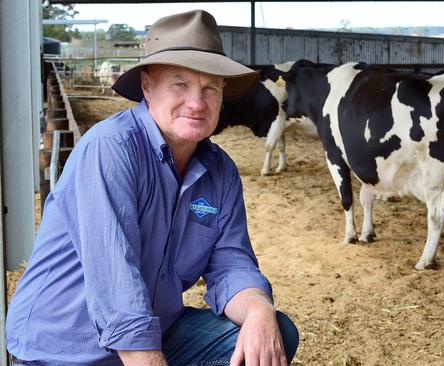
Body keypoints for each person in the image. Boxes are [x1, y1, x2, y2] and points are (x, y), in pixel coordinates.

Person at [6, 9, 299, 366]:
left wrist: (258, 309)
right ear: (147, 86)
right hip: (65, 349)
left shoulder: (220, 171)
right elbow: (118, 286)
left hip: (158, 331)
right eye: (180, 83)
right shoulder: (111, 148)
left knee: (274, 332)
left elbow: (230, 263)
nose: (196, 103)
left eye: (210, 88)